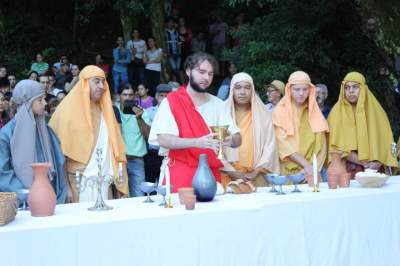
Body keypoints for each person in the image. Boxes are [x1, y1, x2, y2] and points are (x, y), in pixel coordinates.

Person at [149, 52, 241, 192]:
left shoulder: (218, 104)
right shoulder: (171, 101)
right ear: (188, 71)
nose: (206, 77)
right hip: (179, 169)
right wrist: (196, 142)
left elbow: (238, 139)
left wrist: (230, 140)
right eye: (201, 72)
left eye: (210, 74)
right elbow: (163, 139)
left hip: (210, 173)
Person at [49, 65, 128, 203]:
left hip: (104, 181)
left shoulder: (106, 111)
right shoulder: (65, 111)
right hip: (78, 182)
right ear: (84, 83)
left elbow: (115, 148)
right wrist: (65, 187)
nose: (102, 86)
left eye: (103, 82)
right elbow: (58, 155)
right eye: (96, 81)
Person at [0, 80, 67, 203]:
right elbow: (3, 174)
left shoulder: (46, 130)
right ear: (28, 102)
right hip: (22, 205)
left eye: (44, 99)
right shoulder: (6, 135)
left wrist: (61, 193)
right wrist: (30, 195)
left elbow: (59, 163)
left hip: (52, 198)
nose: (45, 103)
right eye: (40, 99)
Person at [327, 72, 398, 178]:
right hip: (348, 170)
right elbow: (336, 148)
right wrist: (365, 163)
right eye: (347, 87)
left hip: (377, 169)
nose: (351, 91)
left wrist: (378, 162)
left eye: (355, 87)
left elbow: (387, 141)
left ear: (363, 88)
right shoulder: (336, 113)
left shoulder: (377, 111)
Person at [222, 73, 280, 188]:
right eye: (238, 88)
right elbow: (214, 147)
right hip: (228, 176)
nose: (242, 92)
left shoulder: (263, 115)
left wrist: (256, 171)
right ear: (232, 90)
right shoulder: (221, 113)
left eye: (247, 88)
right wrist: (232, 172)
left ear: (252, 90)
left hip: (256, 176)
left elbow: (270, 146)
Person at [272, 71, 329, 180]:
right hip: (287, 171)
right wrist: (306, 166)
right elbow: (282, 144)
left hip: (312, 173)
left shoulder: (315, 112)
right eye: (297, 89)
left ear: (310, 90)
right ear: (289, 90)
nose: (301, 93)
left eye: (305, 89)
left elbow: (321, 147)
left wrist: (313, 168)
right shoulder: (279, 111)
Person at [117, 83, 151, 197]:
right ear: (119, 96)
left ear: (134, 97)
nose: (127, 98)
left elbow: (148, 136)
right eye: (124, 95)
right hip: (118, 162)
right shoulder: (113, 112)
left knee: (139, 197)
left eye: (130, 95)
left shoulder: (141, 112)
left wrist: (139, 119)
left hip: (136, 161)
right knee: (120, 198)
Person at [144, 84, 173, 183]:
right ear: (156, 96)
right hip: (153, 153)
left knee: (167, 182)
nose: (164, 98)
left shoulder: (175, 111)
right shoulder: (148, 112)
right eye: (161, 96)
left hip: (169, 153)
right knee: (150, 184)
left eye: (167, 96)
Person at [165, 18, 182, 82]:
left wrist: (180, 52)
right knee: (174, 68)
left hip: (177, 53)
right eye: (169, 22)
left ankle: (176, 82)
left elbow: (179, 42)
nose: (171, 24)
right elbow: (165, 44)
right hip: (170, 54)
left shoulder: (176, 32)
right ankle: (177, 82)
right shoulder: (165, 32)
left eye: (172, 22)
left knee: (177, 69)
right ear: (166, 24)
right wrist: (167, 52)